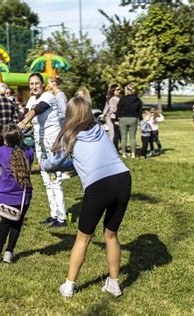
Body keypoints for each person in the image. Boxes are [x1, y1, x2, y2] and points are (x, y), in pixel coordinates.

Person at [41, 96, 131, 298]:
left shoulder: (69, 135)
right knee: (111, 235)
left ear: (69, 114)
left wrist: (43, 166)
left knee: (83, 238)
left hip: (99, 186)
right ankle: (114, 284)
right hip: (123, 179)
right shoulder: (99, 129)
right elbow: (87, 160)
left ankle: (68, 287)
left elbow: (53, 163)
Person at [17, 73, 66, 227]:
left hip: (52, 142)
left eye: (37, 83)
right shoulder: (32, 99)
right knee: (46, 179)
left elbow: (37, 110)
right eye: (31, 84)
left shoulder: (48, 96)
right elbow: (24, 112)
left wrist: (24, 121)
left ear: (43, 84)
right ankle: (53, 214)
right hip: (39, 142)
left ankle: (62, 217)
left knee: (54, 178)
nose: (34, 86)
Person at [0, 124, 34, 264]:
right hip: (23, 198)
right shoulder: (29, 152)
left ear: (5, 140)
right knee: (16, 224)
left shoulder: (2, 151)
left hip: (5, 196)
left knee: (4, 224)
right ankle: (9, 253)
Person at [0, 82, 19, 152]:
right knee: (7, 154)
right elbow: (15, 120)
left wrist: (2, 129)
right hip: (8, 134)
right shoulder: (11, 103)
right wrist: (7, 130)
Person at [117, 83, 142, 158]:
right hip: (133, 119)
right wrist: (140, 120)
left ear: (127, 90)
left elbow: (119, 109)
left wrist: (116, 118)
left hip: (123, 119)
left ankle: (124, 154)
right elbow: (140, 111)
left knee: (123, 137)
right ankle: (133, 154)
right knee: (132, 137)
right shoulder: (138, 99)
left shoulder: (123, 98)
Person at [103, 85, 121, 149]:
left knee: (116, 134)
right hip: (111, 117)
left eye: (119, 89)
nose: (119, 91)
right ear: (113, 91)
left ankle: (114, 147)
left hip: (116, 118)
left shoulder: (118, 98)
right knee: (112, 133)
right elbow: (112, 109)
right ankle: (110, 148)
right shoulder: (112, 99)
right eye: (117, 89)